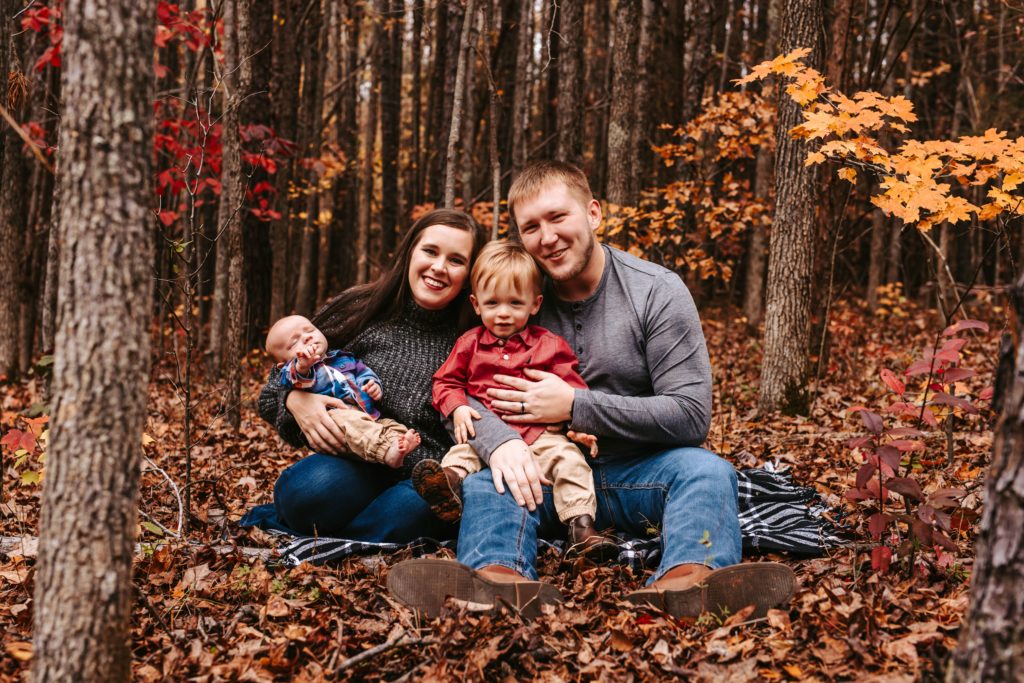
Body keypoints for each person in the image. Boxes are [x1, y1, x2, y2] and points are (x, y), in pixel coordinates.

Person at [387, 161, 795, 619]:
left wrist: (575, 405)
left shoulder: (656, 292)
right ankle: (498, 583)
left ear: (594, 214)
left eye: (558, 217)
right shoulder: (515, 293)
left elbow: (691, 415)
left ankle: (689, 584)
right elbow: (462, 385)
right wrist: (498, 442)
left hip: (638, 471)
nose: (547, 237)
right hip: (539, 472)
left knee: (708, 471)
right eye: (531, 227)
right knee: (486, 485)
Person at [241, 208, 485, 542]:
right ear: (410, 251)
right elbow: (271, 393)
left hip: (424, 472)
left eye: (456, 260)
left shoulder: (476, 334)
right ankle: (355, 532)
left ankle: (333, 538)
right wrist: (297, 400)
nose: (439, 268)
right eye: (430, 251)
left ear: (470, 272)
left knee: (413, 512)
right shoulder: (361, 308)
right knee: (303, 493)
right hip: (357, 460)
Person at [412, 240, 614, 556]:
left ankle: (581, 527)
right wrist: (459, 407)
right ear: (476, 305)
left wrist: (580, 426)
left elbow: (572, 391)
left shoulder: (549, 345)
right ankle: (446, 487)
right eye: (493, 304)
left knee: (572, 463)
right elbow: (445, 382)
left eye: (515, 304)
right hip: (485, 439)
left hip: (542, 436)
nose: (503, 314)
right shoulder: (470, 344)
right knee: (461, 455)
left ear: (535, 304)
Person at [265, 314, 421, 469]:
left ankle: (397, 449)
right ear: (282, 365)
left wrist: (371, 385)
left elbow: (363, 372)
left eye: (310, 330)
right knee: (353, 423)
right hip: (337, 420)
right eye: (294, 343)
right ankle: (387, 452)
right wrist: (301, 367)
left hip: (369, 417)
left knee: (393, 427)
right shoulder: (301, 372)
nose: (306, 338)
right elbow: (289, 380)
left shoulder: (343, 358)